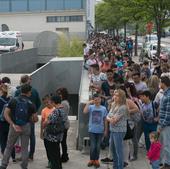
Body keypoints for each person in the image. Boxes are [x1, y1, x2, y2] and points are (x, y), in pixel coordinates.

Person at [0, 84, 38, 169]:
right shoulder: (31, 104)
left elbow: (6, 114)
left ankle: (3, 165)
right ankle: (24, 166)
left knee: (9, 146)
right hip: (26, 126)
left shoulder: (13, 100)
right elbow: (35, 119)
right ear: (28, 92)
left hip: (14, 126)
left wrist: (12, 124)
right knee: (24, 148)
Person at [15, 75, 41, 160]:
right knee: (31, 136)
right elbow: (39, 103)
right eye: (30, 79)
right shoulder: (34, 91)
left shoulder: (18, 91)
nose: (31, 80)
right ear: (27, 80)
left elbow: (14, 103)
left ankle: (23, 155)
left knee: (22, 136)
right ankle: (31, 155)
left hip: (20, 117)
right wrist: (34, 112)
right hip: (31, 117)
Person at [83, 93, 107, 168]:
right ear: (93, 100)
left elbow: (105, 119)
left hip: (100, 130)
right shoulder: (91, 107)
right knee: (93, 146)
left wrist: (106, 130)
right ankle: (91, 159)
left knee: (97, 146)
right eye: (95, 100)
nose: (97, 101)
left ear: (101, 99)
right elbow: (84, 111)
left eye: (98, 99)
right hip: (92, 130)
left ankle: (96, 159)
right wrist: (88, 103)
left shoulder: (103, 108)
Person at [43, 95, 67, 169]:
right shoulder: (63, 110)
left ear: (53, 102)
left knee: (53, 155)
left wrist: (45, 122)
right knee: (57, 153)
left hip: (52, 136)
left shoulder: (56, 111)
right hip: (59, 135)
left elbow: (47, 121)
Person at [107, 89, 128, 169]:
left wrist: (110, 118)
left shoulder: (123, 107)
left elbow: (114, 121)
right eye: (114, 95)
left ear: (121, 97)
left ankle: (119, 167)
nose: (114, 97)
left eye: (117, 95)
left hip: (119, 131)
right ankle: (115, 166)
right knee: (113, 149)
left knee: (119, 150)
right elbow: (107, 116)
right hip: (113, 130)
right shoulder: (114, 105)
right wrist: (110, 118)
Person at [0, 84, 16, 162]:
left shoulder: (0, 100)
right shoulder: (12, 100)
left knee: (3, 140)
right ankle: (13, 157)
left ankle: (4, 157)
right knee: (10, 140)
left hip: (2, 122)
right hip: (10, 122)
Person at [158, 76, 170, 169]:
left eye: (160, 82)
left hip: (166, 124)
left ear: (164, 83)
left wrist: (163, 124)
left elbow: (168, 112)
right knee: (162, 143)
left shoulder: (169, 95)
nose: (159, 84)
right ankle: (163, 162)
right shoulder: (165, 94)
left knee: (166, 144)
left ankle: (168, 164)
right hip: (162, 122)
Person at [40, 95, 55, 168]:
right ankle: (50, 161)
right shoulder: (43, 110)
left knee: (54, 148)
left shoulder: (55, 109)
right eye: (45, 103)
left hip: (54, 132)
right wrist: (41, 132)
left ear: (51, 101)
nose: (46, 104)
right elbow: (42, 122)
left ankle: (54, 161)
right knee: (47, 147)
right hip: (46, 131)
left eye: (47, 102)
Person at [56, 87, 70, 162]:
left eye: (60, 94)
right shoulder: (63, 102)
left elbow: (63, 116)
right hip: (64, 124)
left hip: (63, 125)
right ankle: (64, 155)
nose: (58, 95)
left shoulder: (63, 103)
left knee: (62, 141)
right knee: (63, 141)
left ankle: (64, 156)